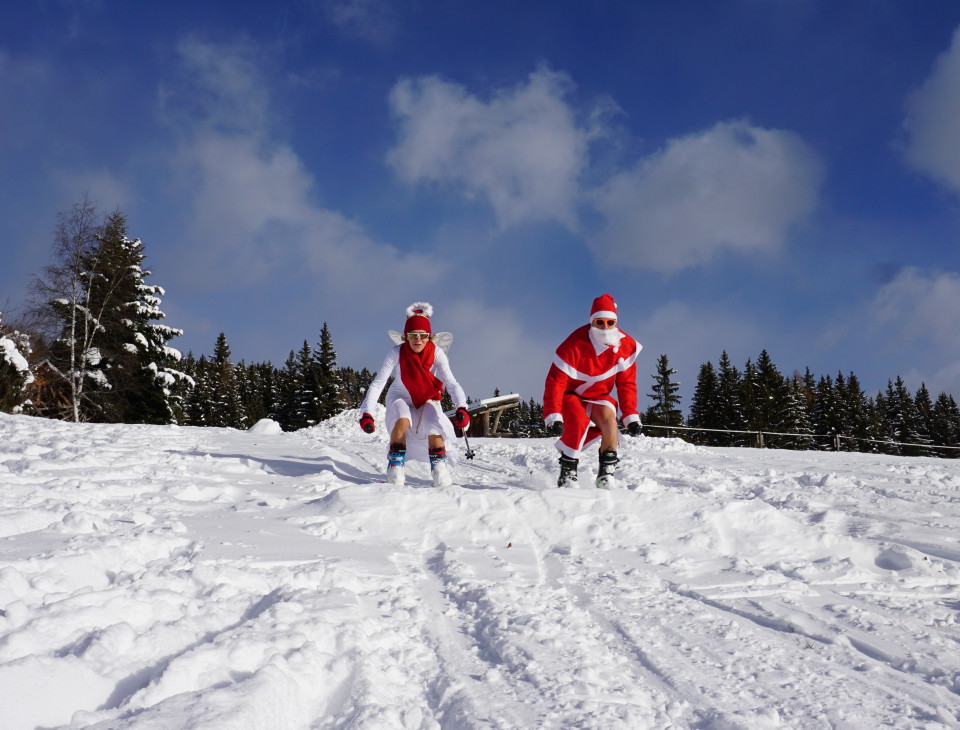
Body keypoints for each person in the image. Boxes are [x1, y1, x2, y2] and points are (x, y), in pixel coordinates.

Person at [358, 302, 470, 487]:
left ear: (429, 337)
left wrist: (462, 407)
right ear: (405, 337)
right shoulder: (396, 352)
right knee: (402, 418)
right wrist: (367, 413)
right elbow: (379, 383)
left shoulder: (437, 353)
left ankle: (439, 468)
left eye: (423, 335)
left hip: (427, 395)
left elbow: (451, 383)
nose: (418, 339)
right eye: (413, 335)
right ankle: (396, 467)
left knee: (433, 421)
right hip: (400, 394)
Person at [543, 293, 642, 488]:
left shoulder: (625, 347)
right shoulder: (574, 345)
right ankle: (568, 473)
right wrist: (553, 415)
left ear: (615, 322)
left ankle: (606, 474)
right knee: (578, 421)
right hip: (570, 395)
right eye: (599, 322)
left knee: (609, 421)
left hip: (598, 396)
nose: (605, 327)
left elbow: (627, 384)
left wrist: (630, 415)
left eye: (610, 322)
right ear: (592, 322)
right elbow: (556, 382)